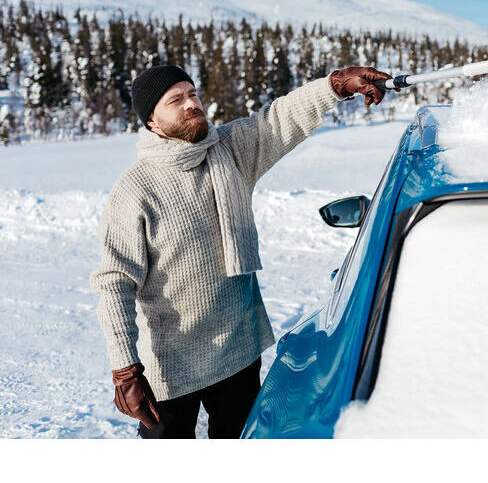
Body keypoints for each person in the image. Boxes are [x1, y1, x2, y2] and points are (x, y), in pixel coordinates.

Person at [90, 64, 391, 439]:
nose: (191, 104)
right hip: (170, 368)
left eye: (193, 94)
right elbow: (115, 284)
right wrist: (125, 370)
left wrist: (334, 86)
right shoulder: (135, 190)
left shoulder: (228, 151)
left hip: (238, 353)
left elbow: (277, 120)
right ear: (151, 120)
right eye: (176, 100)